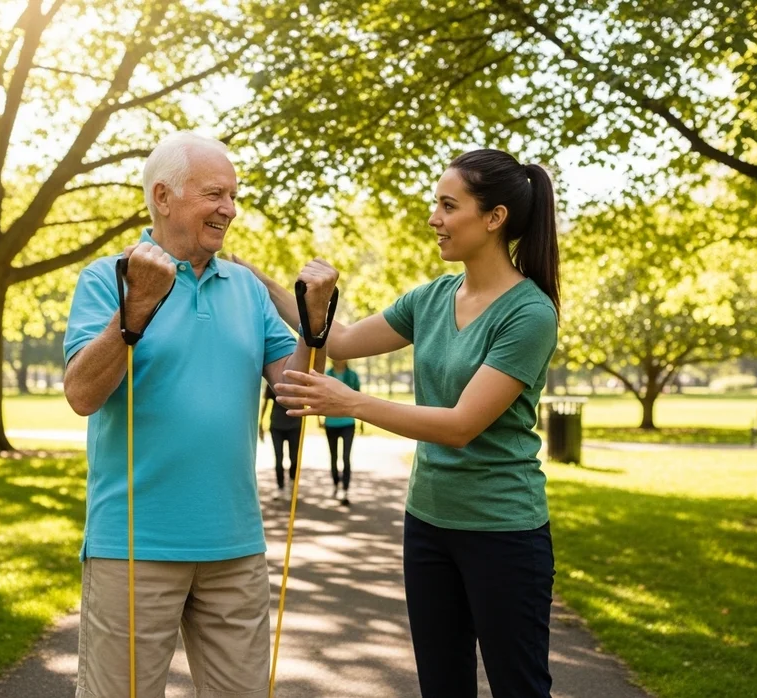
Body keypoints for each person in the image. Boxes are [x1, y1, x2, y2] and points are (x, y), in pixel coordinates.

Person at [238, 148, 560, 697]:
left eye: (447, 204)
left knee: (519, 687)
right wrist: (254, 276)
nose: (433, 217)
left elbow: (461, 425)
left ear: (494, 218)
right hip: (428, 524)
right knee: (441, 685)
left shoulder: (529, 313)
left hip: (503, 532)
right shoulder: (431, 298)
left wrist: (352, 404)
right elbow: (337, 340)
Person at [61, 132, 334, 698]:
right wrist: (134, 308)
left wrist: (314, 320)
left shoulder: (248, 290)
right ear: (163, 196)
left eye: (233, 196)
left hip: (235, 547)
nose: (229, 209)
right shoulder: (105, 278)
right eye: (215, 194)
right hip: (133, 546)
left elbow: (298, 393)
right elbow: (82, 394)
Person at [323, 359, 360, 505]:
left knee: (345, 457)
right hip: (331, 423)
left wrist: (361, 421)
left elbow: (359, 397)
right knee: (333, 456)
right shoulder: (328, 375)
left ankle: (345, 489)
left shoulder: (352, 375)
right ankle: (335, 484)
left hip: (348, 423)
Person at [260, 384, 301, 500]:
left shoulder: (296, 378)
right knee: (279, 458)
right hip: (276, 426)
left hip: (294, 425)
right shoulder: (273, 381)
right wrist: (261, 424)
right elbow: (266, 402)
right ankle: (280, 487)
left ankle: (292, 483)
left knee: (294, 458)